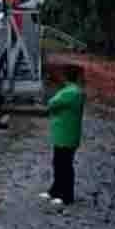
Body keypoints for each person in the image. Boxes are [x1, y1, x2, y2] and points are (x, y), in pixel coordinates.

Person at [40, 64, 85, 206]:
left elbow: (52, 103)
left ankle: (66, 196)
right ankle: (55, 191)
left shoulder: (70, 92)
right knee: (59, 164)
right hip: (65, 134)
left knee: (64, 166)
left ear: (66, 76)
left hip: (66, 135)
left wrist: (52, 96)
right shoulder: (72, 90)